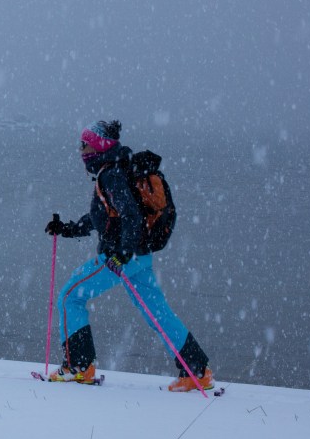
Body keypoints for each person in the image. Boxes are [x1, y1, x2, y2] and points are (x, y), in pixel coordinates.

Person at [45, 120, 214, 392]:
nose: (80, 150)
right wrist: (68, 228)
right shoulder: (117, 170)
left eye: (84, 144)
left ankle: (78, 366)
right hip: (139, 257)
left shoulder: (110, 175)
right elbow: (103, 217)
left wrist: (121, 255)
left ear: (98, 146)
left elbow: (131, 217)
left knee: (70, 297)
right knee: (158, 314)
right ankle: (197, 371)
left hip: (120, 258)